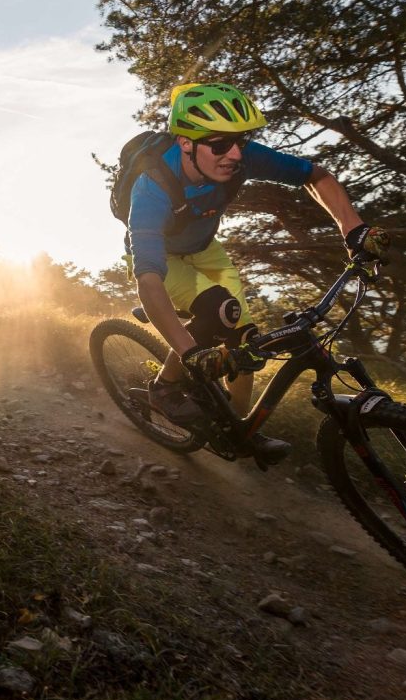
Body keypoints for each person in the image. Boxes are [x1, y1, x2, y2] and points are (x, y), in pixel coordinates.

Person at [125, 82, 388, 464]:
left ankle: (238, 430)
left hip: (206, 250)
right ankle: (164, 388)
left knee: (246, 343)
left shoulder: (241, 156)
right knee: (220, 312)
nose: (234, 154)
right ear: (185, 143)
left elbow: (316, 176)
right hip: (162, 258)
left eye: (241, 141)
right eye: (219, 145)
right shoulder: (150, 187)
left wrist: (354, 230)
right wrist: (191, 352)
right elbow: (147, 279)